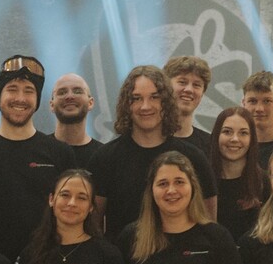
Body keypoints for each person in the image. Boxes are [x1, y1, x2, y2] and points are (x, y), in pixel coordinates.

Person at [0, 55, 76, 262]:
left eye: (29, 91)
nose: (20, 98)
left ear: (37, 100)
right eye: (12, 89)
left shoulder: (60, 153)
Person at [87, 65, 216, 238]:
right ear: (126, 105)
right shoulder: (105, 158)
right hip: (122, 255)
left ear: (166, 102)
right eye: (136, 98)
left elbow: (209, 228)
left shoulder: (194, 158)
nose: (145, 106)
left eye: (154, 97)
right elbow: (93, 228)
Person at [210, 105, 268, 244]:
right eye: (227, 132)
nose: (235, 139)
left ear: (252, 139)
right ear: (216, 135)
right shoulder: (202, 180)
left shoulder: (264, 182)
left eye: (243, 133)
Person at [163, 55, 217, 159]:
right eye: (182, 82)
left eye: (196, 85)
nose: (189, 90)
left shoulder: (210, 145)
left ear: (202, 93)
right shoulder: (150, 140)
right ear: (166, 86)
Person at [50, 72, 103, 168]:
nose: (69, 96)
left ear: (90, 103)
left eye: (78, 91)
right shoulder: (38, 150)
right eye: (62, 92)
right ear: (52, 105)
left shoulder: (104, 156)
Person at [243, 71, 273, 169]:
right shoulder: (235, 148)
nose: (259, 109)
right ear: (243, 104)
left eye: (267, 101)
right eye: (252, 101)